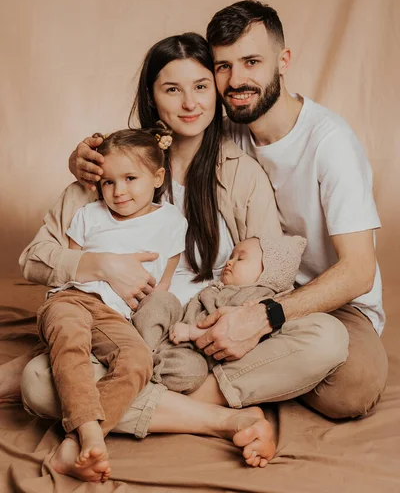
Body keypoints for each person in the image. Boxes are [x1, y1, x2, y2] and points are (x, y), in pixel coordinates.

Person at [7, 32, 348, 473]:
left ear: (216, 91)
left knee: (327, 337)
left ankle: (148, 404)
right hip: (126, 333)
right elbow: (36, 257)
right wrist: (101, 266)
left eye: (201, 86)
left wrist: (236, 307)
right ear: (151, 96)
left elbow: (272, 264)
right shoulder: (111, 167)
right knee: (38, 383)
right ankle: (221, 418)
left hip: (209, 333)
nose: (190, 103)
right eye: (172, 89)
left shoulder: (239, 169)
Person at [195, 0, 387, 419]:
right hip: (249, 288)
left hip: (332, 301)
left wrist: (266, 318)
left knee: (351, 390)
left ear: (282, 61)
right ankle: (268, 370)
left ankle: (190, 396)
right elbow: (150, 150)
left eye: (251, 62)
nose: (236, 79)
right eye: (223, 66)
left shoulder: (330, 142)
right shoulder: (225, 130)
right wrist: (87, 158)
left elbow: (358, 270)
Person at [36, 126, 189, 483]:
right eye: (107, 182)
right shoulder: (90, 215)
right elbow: (68, 270)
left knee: (137, 361)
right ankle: (89, 435)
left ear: (157, 177)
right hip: (72, 299)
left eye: (130, 178)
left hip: (116, 316)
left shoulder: (171, 222)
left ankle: (75, 445)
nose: (118, 192)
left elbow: (161, 284)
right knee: (71, 339)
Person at [133, 234, 306, 396]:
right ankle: (141, 348)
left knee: (193, 371)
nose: (229, 262)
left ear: (269, 272)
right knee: (162, 299)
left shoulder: (255, 299)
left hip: (193, 351)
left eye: (241, 258)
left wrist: (191, 332)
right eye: (231, 256)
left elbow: (230, 330)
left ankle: (146, 368)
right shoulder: (220, 287)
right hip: (174, 326)